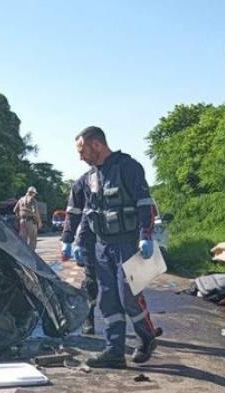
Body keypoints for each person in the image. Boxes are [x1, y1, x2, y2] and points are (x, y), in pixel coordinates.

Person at [74, 126, 160, 368]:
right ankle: (114, 351)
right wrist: (79, 242)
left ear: (97, 145)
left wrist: (145, 235)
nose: (80, 157)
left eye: (83, 151)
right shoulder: (91, 177)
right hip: (102, 247)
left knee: (129, 298)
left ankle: (147, 337)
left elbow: (145, 204)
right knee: (108, 299)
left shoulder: (128, 167)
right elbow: (88, 212)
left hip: (127, 244)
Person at [61, 173, 98, 335]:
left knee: (126, 285)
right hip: (91, 240)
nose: (81, 156)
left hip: (119, 240)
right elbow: (76, 214)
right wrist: (68, 240)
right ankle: (88, 318)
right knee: (92, 282)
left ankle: (145, 330)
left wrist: (143, 236)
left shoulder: (120, 173)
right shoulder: (83, 182)